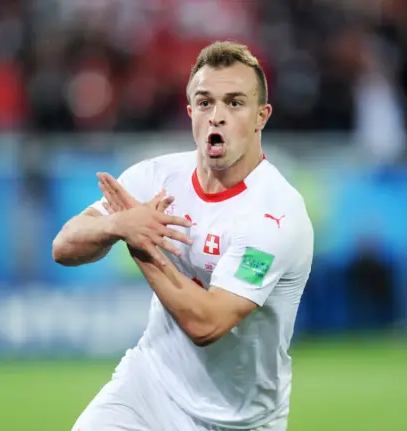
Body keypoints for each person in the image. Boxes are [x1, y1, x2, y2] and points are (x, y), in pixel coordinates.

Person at [52, 41, 314, 431]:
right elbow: (64, 246)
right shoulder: (157, 177)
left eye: (235, 103)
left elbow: (206, 324)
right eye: (205, 103)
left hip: (239, 419)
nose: (217, 116)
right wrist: (116, 225)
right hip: (148, 387)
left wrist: (142, 243)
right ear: (191, 112)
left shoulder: (275, 215)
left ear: (262, 117)